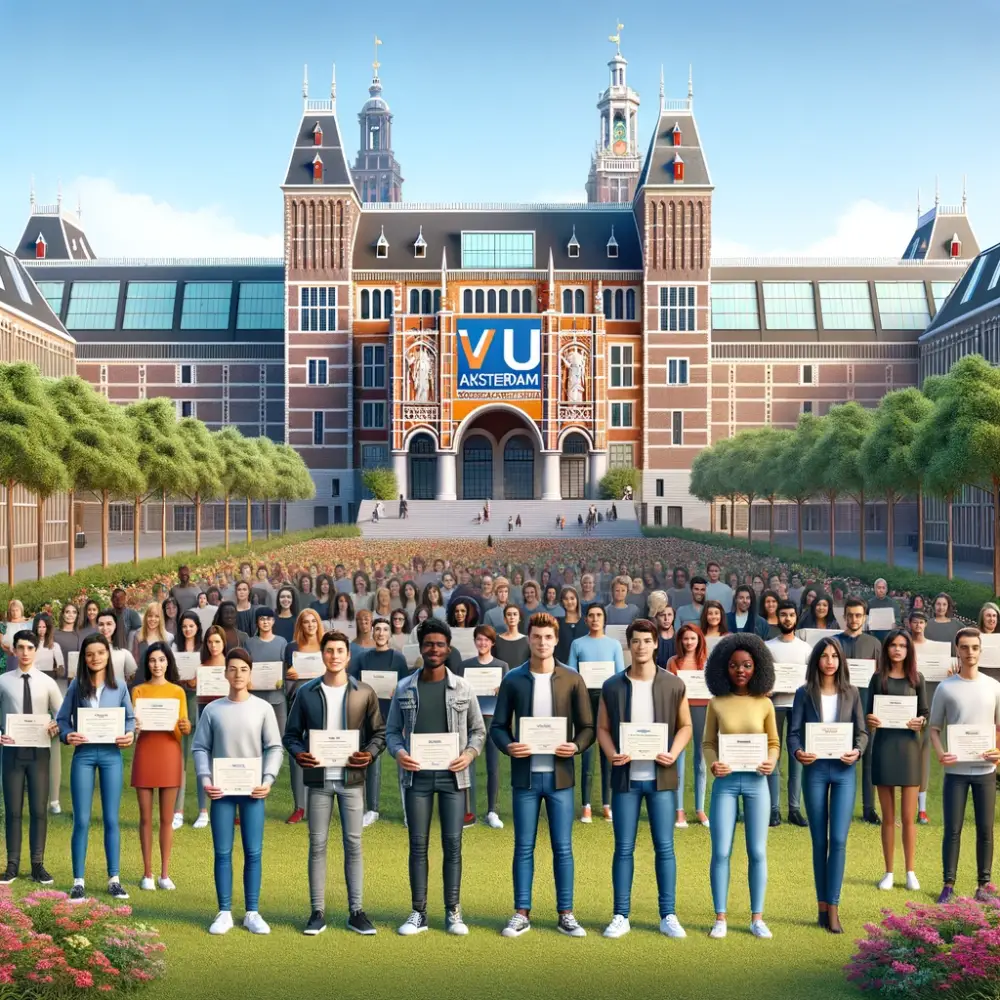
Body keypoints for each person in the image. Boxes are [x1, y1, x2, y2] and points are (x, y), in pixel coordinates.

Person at [492, 612, 595, 939]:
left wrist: (576, 747)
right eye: (536, 637)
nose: (541, 642)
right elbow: (497, 727)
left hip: (560, 779)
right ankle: (521, 912)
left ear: (555, 640)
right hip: (525, 779)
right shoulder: (513, 680)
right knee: (524, 846)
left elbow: (588, 728)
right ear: (529, 639)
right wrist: (509, 747)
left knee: (562, 847)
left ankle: (566, 913)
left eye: (547, 637)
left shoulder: (572, 679)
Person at [386, 619, 485, 936]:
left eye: (440, 644)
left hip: (453, 779)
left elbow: (479, 731)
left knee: (453, 844)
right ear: (421, 646)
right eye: (429, 644)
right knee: (418, 845)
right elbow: (391, 733)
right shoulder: (404, 687)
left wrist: (468, 754)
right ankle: (419, 912)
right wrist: (399, 753)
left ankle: (453, 911)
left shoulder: (463, 688)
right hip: (417, 779)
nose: (434, 649)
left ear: (448, 648)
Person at [284, 629, 385, 936]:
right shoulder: (306, 692)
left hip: (352, 780)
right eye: (329, 651)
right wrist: (300, 754)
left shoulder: (364, 692)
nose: (335, 656)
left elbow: (379, 734)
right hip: (318, 779)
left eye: (340, 650)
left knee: (353, 844)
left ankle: (356, 911)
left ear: (348, 655)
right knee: (318, 844)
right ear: (323, 655)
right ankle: (317, 912)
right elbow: (291, 735)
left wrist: (367, 755)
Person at [598, 618, 692, 939]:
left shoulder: (673, 684)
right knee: (623, 848)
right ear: (629, 645)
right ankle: (620, 914)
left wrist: (674, 753)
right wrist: (612, 754)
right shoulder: (612, 685)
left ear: (655, 644)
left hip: (661, 779)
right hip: (625, 780)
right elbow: (602, 729)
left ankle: (668, 915)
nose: (641, 646)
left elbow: (686, 727)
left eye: (646, 641)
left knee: (664, 847)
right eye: (635, 641)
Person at [194, 648, 283, 935]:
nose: (237, 675)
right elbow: (200, 747)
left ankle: (252, 912)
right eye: (232, 669)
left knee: (253, 852)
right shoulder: (213, 710)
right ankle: (224, 912)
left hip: (253, 792)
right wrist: (206, 779)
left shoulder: (262, 708)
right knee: (222, 851)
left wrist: (267, 779)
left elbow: (274, 747)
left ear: (250, 673)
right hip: (221, 792)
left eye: (243, 669)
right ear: (225, 673)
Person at [702, 634, 779, 940]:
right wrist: (713, 763)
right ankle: (720, 917)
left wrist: (772, 760)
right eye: (734, 665)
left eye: (747, 665)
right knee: (721, 851)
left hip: (758, 783)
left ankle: (756, 917)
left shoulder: (765, 704)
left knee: (757, 851)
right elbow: (708, 743)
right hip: (726, 784)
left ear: (757, 667)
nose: (741, 671)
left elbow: (773, 743)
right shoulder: (716, 703)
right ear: (724, 668)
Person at [788, 638, 867, 934]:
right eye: (824, 656)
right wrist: (798, 752)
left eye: (835, 655)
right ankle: (821, 905)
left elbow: (862, 732)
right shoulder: (803, 694)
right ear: (817, 661)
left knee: (839, 841)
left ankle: (833, 907)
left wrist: (857, 750)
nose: (830, 661)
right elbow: (793, 734)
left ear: (841, 660)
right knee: (819, 841)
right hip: (816, 771)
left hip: (845, 770)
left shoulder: (853, 693)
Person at [56, 633, 136, 901]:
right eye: (90, 654)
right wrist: (67, 735)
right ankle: (78, 880)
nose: (95, 658)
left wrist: (129, 733)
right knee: (81, 820)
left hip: (112, 755)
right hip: (84, 756)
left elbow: (130, 718)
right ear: (84, 658)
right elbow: (62, 719)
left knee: (111, 819)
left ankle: (114, 879)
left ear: (108, 655)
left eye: (100, 653)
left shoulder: (120, 686)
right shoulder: (76, 687)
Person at [928, 627, 1000, 903]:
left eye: (974, 647)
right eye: (964, 647)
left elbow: (999, 726)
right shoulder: (946, 688)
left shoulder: (993, 687)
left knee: (985, 828)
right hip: (955, 771)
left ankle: (984, 885)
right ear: (956, 650)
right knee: (953, 829)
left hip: (985, 771)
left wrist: (997, 750)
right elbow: (934, 728)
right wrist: (940, 753)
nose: (969, 652)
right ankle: (948, 884)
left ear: (981, 650)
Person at [866, 628, 928, 891]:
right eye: (893, 645)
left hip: (909, 751)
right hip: (883, 748)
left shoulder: (917, 679)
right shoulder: (877, 678)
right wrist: (870, 720)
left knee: (908, 816)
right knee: (888, 817)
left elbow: (924, 712)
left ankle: (910, 871)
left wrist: (920, 721)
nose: (898, 649)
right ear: (887, 648)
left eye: (903, 645)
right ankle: (889, 871)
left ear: (908, 649)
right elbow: (868, 712)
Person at [0, 630, 62, 886]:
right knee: (13, 810)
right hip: (12, 752)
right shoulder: (3, 681)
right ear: (14, 650)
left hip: (39, 753)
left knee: (38, 810)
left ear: (36, 651)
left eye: (29, 648)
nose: (25, 653)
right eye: (21, 647)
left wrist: (56, 725)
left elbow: (63, 714)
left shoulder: (47, 682)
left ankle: (37, 864)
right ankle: (12, 864)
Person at [131, 642, 190, 891]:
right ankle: (147, 873)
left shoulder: (178, 692)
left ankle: (165, 873)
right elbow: (132, 730)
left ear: (168, 663)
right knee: (146, 817)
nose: (157, 665)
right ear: (147, 664)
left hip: (169, 753)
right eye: (153, 660)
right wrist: (132, 727)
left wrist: (185, 727)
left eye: (162, 660)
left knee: (167, 818)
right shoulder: (138, 692)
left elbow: (181, 729)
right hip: (145, 752)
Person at [568, 603, 625, 824]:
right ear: (585, 620)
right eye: (590, 615)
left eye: (598, 615)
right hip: (585, 701)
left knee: (608, 755)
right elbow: (573, 674)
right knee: (588, 755)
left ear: (604, 619)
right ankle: (586, 805)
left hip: (608, 701)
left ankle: (607, 804)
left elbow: (619, 674)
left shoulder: (614, 645)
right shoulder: (577, 644)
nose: (594, 619)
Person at [351, 617, 408, 829]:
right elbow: (353, 683)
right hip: (370, 716)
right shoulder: (363, 658)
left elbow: (407, 685)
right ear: (372, 632)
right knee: (371, 761)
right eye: (378, 629)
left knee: (403, 762)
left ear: (390, 634)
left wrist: (399, 690)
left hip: (394, 716)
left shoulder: (399, 658)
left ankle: (407, 811)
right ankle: (372, 809)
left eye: (385, 630)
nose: (381, 633)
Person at [455, 624, 509, 829]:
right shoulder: (464, 666)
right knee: (468, 765)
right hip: (469, 720)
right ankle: (468, 812)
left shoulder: (502, 666)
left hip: (492, 719)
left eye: (486, 640)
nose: (482, 643)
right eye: (479, 639)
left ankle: (492, 811)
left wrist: (500, 689)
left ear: (492, 643)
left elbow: (509, 696)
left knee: (493, 765)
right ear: (475, 641)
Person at [836, 597, 882, 825]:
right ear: (844, 616)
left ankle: (869, 808)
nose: (854, 619)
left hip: (866, 708)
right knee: (840, 758)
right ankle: (838, 807)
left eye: (858, 615)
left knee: (869, 758)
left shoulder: (874, 644)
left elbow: (880, 679)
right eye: (850, 615)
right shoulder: (834, 642)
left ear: (865, 618)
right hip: (839, 709)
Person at [764, 601, 809, 828]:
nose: (787, 619)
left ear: (796, 618)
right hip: (773, 706)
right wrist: (767, 688)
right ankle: (773, 810)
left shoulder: (805, 649)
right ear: (777, 617)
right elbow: (762, 678)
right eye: (783, 615)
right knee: (774, 756)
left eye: (791, 615)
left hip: (798, 706)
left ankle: (794, 809)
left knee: (796, 758)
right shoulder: (767, 646)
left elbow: (811, 681)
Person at [283, 609, 325, 825]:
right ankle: (299, 806)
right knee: (297, 755)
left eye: (313, 621)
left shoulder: (326, 646)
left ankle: (318, 805)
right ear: (300, 625)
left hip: (323, 706)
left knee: (320, 754)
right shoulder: (291, 648)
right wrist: (290, 677)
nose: (310, 625)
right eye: (306, 622)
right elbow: (283, 684)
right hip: (298, 705)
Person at [667, 623, 710, 828]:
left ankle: (700, 809)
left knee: (701, 760)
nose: (689, 642)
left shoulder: (707, 663)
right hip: (680, 712)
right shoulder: (673, 662)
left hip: (702, 709)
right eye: (685, 639)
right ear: (680, 641)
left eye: (693, 638)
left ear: (699, 639)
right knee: (679, 760)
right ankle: (679, 810)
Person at [131, 601, 174, 681]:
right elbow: (135, 661)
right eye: (150, 616)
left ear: (161, 618)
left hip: (161, 681)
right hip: (142, 680)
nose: (152, 619)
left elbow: (170, 663)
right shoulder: (138, 635)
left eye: (157, 616)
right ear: (146, 617)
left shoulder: (168, 638)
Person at [95, 609, 138, 685]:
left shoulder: (123, 653)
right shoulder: (88, 652)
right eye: (101, 624)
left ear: (115, 626)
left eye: (109, 624)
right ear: (97, 627)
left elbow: (135, 678)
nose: (105, 628)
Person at [555, 588, 587, 665]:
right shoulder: (556, 622)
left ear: (577, 600)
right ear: (562, 602)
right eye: (566, 599)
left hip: (584, 666)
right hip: (562, 667)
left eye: (572, 598)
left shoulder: (586, 621)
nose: (569, 602)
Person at [496, 605, 530, 671]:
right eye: (509, 614)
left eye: (515, 614)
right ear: (505, 619)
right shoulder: (497, 640)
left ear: (519, 618)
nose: (512, 617)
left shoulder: (527, 640)